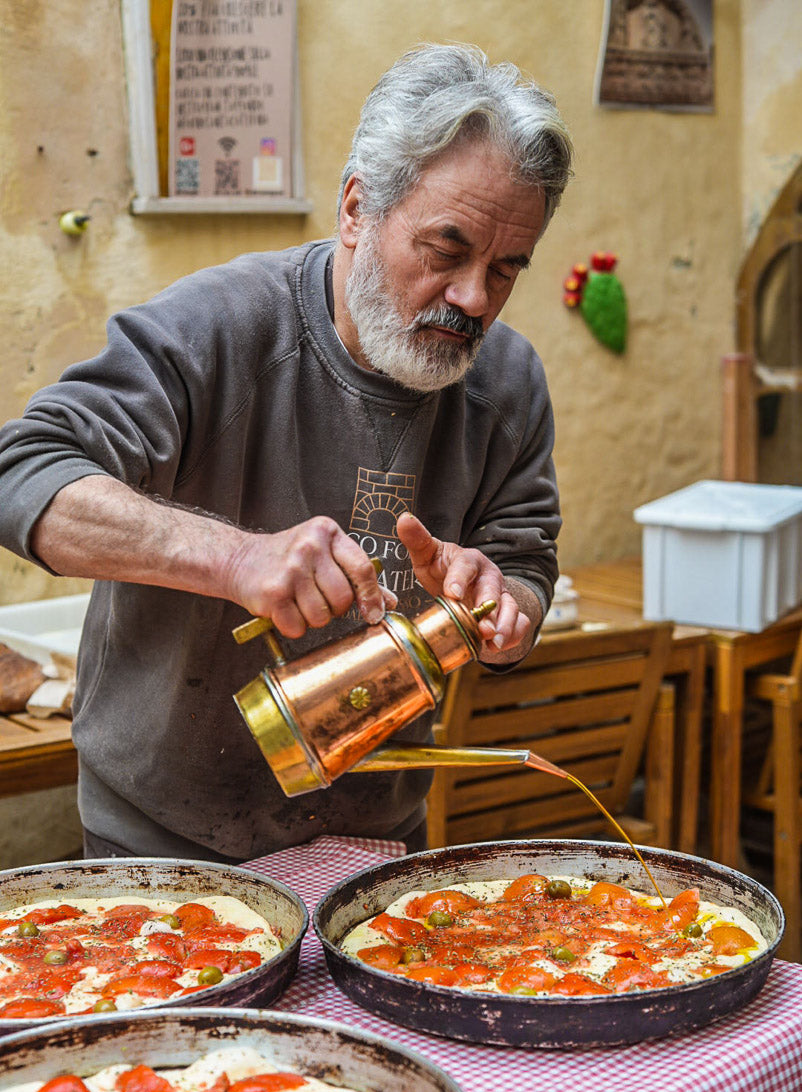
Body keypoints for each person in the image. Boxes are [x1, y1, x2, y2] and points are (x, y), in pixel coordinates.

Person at [0, 42, 573, 862]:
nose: (474, 298)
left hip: (377, 833)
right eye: (446, 252)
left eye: (506, 269)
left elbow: (524, 556)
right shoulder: (219, 328)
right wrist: (235, 559)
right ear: (355, 210)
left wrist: (507, 606)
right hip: (166, 839)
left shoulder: (508, 382)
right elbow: (24, 473)